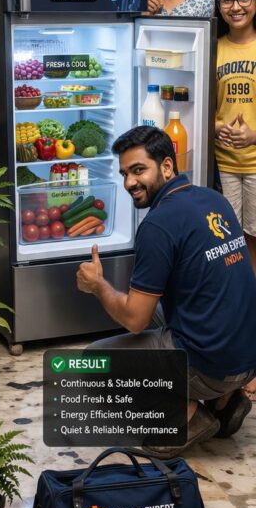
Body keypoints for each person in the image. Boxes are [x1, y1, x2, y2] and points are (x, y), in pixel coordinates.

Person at [76, 126, 256, 457]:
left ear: (168, 167)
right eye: (125, 173)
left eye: (139, 169)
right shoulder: (213, 198)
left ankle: (188, 418)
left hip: (213, 365)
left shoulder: (158, 226)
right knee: (157, 311)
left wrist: (98, 285)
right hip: (246, 358)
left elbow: (134, 320)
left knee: (92, 363)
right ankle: (225, 404)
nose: (130, 182)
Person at [215, 0, 256, 272]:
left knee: (254, 236)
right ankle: (237, 297)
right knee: (228, 240)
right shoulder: (212, 46)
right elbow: (199, 106)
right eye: (227, 0)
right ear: (218, 6)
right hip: (223, 163)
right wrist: (216, 127)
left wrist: (254, 136)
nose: (236, 7)